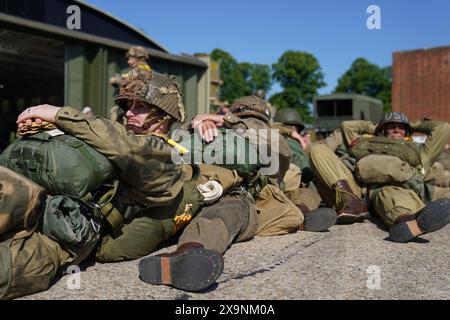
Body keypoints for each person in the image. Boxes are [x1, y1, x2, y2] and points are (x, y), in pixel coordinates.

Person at [15, 71, 258, 293]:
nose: (129, 112)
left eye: (140, 106)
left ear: (164, 115)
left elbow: (131, 148)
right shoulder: (119, 139)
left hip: (78, 235)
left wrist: (60, 114)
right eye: (127, 106)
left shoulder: (163, 153)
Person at [189, 95, 335, 235]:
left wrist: (228, 120)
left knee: (304, 193)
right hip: (247, 192)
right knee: (295, 203)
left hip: (235, 188)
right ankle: (296, 217)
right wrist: (208, 122)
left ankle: (299, 214)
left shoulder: (223, 125)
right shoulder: (219, 127)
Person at [309, 111, 450, 242]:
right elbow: (347, 126)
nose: (396, 130)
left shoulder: (420, 152)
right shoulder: (362, 144)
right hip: (356, 189)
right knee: (318, 149)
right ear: (382, 130)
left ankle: (408, 222)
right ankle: (350, 202)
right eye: (391, 126)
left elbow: (442, 128)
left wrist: (411, 124)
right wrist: (376, 127)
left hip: (392, 188)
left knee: (391, 195)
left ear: (407, 131)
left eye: (401, 127)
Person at [271, 108, 336, 231]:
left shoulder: (305, 146)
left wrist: (306, 147)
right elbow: (308, 174)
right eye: (289, 128)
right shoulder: (268, 135)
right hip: (276, 181)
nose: (292, 132)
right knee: (310, 189)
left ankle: (299, 216)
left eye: (295, 129)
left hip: (288, 190)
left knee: (307, 195)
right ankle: (295, 217)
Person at [110, 46, 152, 126]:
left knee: (116, 116)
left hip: (133, 104)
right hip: (135, 104)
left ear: (138, 58)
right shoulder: (144, 69)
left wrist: (116, 80)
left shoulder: (142, 69)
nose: (128, 62)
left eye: (130, 59)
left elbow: (129, 81)